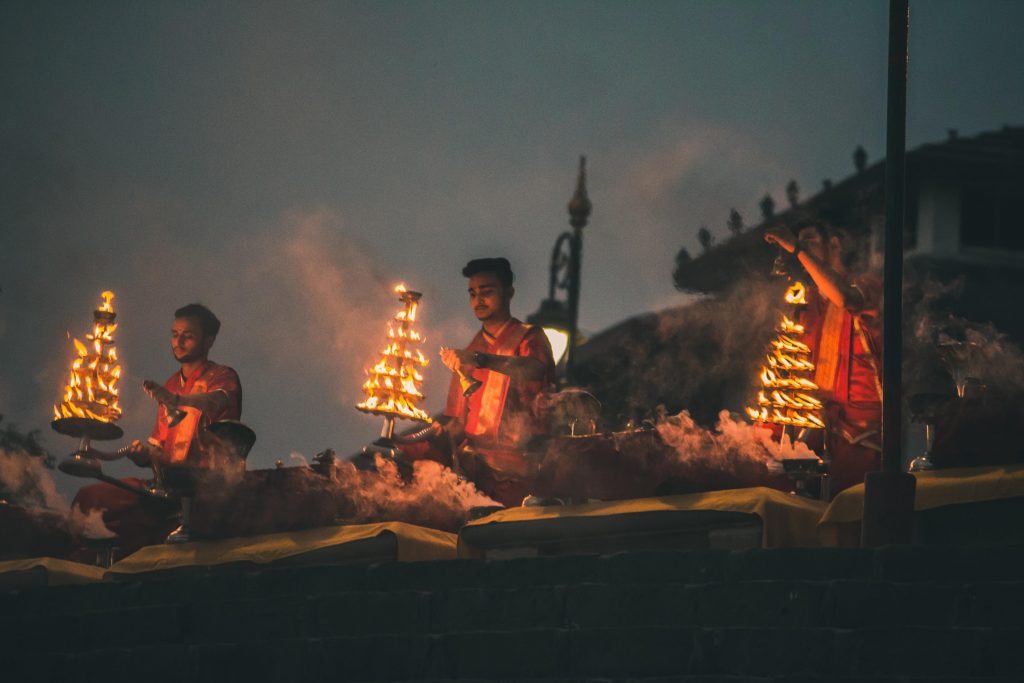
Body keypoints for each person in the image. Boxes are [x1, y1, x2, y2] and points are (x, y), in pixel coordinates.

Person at [71, 303, 242, 552]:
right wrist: (143, 454)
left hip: (205, 486)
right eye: (175, 334)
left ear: (209, 341)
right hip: (164, 486)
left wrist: (176, 401)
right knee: (88, 500)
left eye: (188, 336)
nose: (178, 342)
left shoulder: (222, 376)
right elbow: (158, 451)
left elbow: (216, 401)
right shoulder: (170, 384)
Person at [765, 221, 883, 495]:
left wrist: (797, 248)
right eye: (802, 242)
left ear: (835, 246)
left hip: (861, 434)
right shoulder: (808, 299)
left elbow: (844, 298)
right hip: (816, 428)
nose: (801, 249)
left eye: (810, 240)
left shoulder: (867, 286)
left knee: (853, 507)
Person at [432, 258, 556, 506]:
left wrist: (481, 360)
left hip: (522, 476)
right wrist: (431, 437)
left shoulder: (529, 337)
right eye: (472, 294)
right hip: (475, 477)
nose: (478, 300)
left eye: (487, 292)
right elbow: (458, 423)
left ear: (509, 293)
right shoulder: (468, 352)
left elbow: (534, 369)